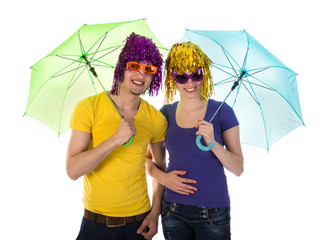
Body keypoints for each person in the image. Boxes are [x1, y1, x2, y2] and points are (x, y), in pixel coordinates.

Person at [66, 32, 167, 240]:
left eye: (149, 69)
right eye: (134, 65)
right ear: (122, 66)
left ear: (154, 76)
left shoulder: (156, 119)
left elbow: (160, 169)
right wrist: (114, 140)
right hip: (95, 224)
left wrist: (155, 213)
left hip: (139, 224)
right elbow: (73, 170)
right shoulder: (87, 108)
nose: (141, 75)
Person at [146, 42, 244, 240]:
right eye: (182, 76)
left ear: (204, 74)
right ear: (172, 79)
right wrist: (163, 178)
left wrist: (214, 144)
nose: (190, 83)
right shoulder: (165, 114)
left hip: (213, 212)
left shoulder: (223, 112)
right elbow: (147, 161)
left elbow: (238, 168)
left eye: (196, 74)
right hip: (173, 210)